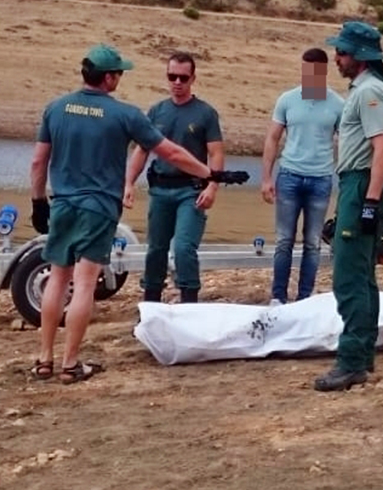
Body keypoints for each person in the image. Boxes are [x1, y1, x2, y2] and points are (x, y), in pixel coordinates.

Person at [29, 44, 245, 384]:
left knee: (57, 277)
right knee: (84, 284)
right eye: (119, 73)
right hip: (98, 208)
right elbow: (170, 151)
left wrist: (38, 202)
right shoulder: (125, 114)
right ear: (109, 77)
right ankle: (70, 364)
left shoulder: (55, 108)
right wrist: (211, 175)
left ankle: (44, 359)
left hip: (63, 204)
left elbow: (38, 161)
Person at [314, 21, 383, 392]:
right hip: (357, 184)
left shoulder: (370, 93)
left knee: (348, 275)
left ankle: (350, 362)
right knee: (363, 274)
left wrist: (369, 202)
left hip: (362, 184)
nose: (337, 57)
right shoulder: (364, 91)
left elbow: (382, 148)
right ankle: (362, 356)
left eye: (343, 52)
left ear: (360, 57)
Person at [125, 52, 224, 304]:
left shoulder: (205, 114)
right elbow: (141, 150)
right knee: (155, 250)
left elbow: (215, 153)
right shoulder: (157, 111)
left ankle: (189, 303)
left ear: (193, 78)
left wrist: (212, 187)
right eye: (172, 76)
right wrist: (128, 182)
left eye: (183, 77)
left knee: (183, 248)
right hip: (160, 191)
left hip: (190, 192)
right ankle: (150, 303)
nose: (177, 82)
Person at [260, 48, 345, 305]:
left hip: (320, 179)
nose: (309, 78)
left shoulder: (338, 104)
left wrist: (346, 176)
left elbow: (346, 142)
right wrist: (266, 177)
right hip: (289, 176)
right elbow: (273, 138)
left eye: (315, 73)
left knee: (312, 243)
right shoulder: (287, 100)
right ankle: (278, 296)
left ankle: (305, 297)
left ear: (324, 72)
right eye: (305, 72)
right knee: (284, 240)